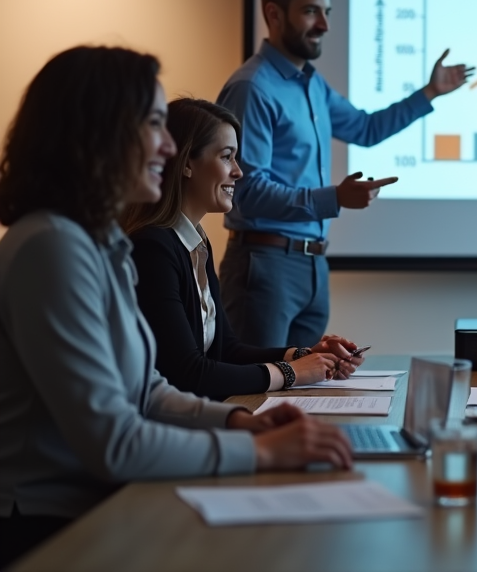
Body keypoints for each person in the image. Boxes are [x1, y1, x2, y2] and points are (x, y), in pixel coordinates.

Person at [0, 47, 353, 568]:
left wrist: (238, 423)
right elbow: (115, 441)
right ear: (96, 133)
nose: (168, 146)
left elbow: (149, 390)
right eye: (154, 124)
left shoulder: (101, 245)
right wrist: (259, 451)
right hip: (49, 528)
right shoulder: (50, 246)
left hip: (99, 504)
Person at [217, 0, 475, 347]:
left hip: (313, 267)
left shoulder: (311, 84)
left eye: (327, 12)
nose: (324, 25)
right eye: (310, 11)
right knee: (260, 396)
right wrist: (333, 198)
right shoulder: (253, 88)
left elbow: (365, 129)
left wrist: (429, 93)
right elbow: (247, 191)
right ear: (274, 13)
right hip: (265, 265)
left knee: (305, 390)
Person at [122, 98, 365, 401]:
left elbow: (226, 350)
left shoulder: (195, 243)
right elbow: (188, 374)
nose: (238, 172)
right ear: (185, 163)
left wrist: (304, 355)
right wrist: (294, 373)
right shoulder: (152, 250)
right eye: (227, 157)